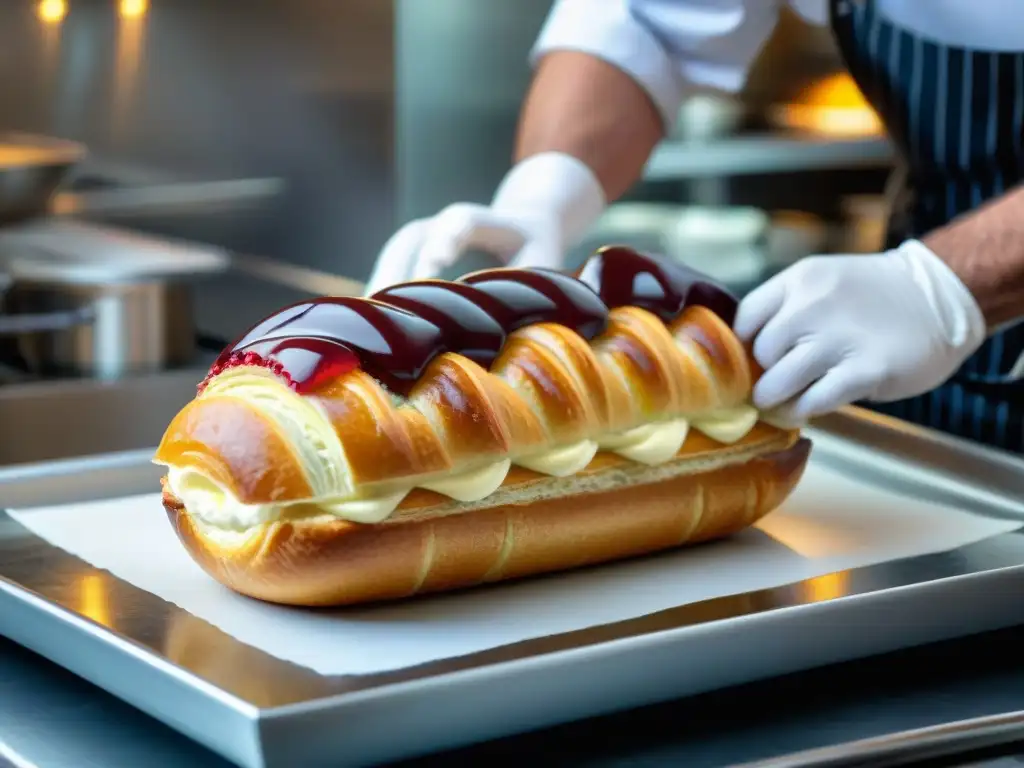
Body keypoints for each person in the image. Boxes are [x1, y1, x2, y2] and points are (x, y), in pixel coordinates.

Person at [365, 0, 1024, 453]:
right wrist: (545, 193)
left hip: (923, 303)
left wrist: (943, 287)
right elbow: (647, 23)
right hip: (922, 378)